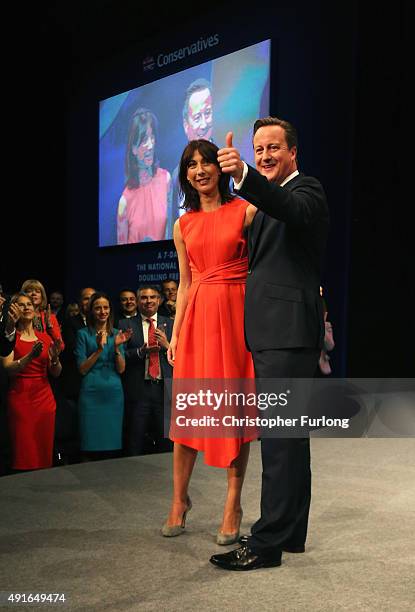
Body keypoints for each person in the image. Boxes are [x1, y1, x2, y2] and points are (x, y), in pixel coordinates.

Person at [210, 117, 329, 570]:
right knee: (290, 438)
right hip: (274, 332)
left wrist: (243, 176)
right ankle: (290, 533)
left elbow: (288, 208)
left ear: (292, 152)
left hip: (286, 333)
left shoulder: (307, 192)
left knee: (280, 440)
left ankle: (263, 545)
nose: (263, 156)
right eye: (258, 149)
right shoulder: (267, 204)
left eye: (272, 148)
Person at [161, 139, 257, 544]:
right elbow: (185, 283)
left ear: (220, 168)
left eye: (207, 162)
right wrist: (176, 334)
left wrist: (245, 171)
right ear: (185, 175)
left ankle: (232, 504)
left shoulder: (246, 211)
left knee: (233, 413)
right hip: (198, 321)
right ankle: (179, 501)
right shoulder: (182, 225)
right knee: (188, 415)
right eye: (191, 165)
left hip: (237, 318)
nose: (200, 170)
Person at [2, 292, 62, 470]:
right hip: (21, 399)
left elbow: (56, 373)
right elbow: (8, 368)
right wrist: (29, 357)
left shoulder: (44, 337)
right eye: (21, 304)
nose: (26, 307)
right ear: (13, 310)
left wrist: (55, 360)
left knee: (43, 451)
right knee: (24, 451)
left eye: (29, 304)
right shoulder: (10, 337)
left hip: (44, 399)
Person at [75, 292, 132, 459]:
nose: (102, 311)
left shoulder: (116, 333)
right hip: (91, 394)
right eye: (98, 308)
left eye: (105, 307)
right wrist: (99, 349)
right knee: (90, 444)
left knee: (113, 447)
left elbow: (121, 369)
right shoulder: (83, 334)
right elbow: (82, 369)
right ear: (91, 311)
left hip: (113, 394)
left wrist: (116, 347)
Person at [118, 286, 173, 456]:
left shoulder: (171, 323)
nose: (148, 301)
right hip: (139, 389)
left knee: (167, 441)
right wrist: (140, 352)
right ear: (137, 300)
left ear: (159, 300)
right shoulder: (125, 324)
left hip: (165, 389)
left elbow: (184, 355)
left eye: (152, 297)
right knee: (136, 439)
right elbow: (120, 356)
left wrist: (167, 346)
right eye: (144, 298)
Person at [117, 107, 172, 244]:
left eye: (152, 137)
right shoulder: (124, 202)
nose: (150, 145)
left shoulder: (166, 180)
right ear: (133, 149)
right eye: (144, 140)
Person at [170, 79, 213, 234]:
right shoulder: (177, 176)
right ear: (186, 125)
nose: (203, 124)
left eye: (208, 113)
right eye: (197, 117)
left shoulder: (230, 165)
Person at [21, 279, 64, 350]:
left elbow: (61, 346)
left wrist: (49, 327)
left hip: (46, 356)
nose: (33, 293)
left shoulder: (50, 317)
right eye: (29, 291)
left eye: (37, 291)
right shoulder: (20, 315)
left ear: (42, 296)